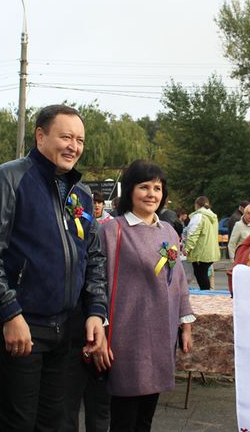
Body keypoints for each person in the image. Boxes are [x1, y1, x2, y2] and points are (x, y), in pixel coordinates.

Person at [0, 104, 108, 431]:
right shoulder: (7, 178)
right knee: (15, 422)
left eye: (79, 139)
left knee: (55, 422)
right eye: (65, 137)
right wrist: (9, 312)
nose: (73, 146)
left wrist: (96, 310)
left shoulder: (79, 191)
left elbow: (92, 255)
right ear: (40, 136)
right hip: (21, 328)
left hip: (65, 330)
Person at [91, 160, 193, 432]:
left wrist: (186, 324)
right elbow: (96, 283)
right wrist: (99, 329)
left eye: (157, 188)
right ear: (129, 191)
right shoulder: (113, 231)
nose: (151, 194)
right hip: (127, 337)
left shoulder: (169, 231)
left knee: (146, 417)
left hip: (162, 334)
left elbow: (179, 281)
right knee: (124, 419)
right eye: (144, 186)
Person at [183, 196, 220, 290]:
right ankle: (208, 293)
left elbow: (193, 233)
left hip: (201, 252)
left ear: (196, 205)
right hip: (211, 251)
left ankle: (206, 296)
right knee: (205, 275)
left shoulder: (199, 216)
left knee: (201, 276)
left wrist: (187, 248)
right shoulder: (213, 217)